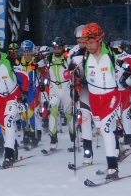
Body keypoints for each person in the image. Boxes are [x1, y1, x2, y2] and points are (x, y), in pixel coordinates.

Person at [70, 23, 126, 178]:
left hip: (111, 96)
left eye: (91, 42)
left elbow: (128, 61)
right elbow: (72, 68)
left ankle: (112, 168)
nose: (88, 45)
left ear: (99, 40)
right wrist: (73, 79)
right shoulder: (84, 55)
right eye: (86, 42)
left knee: (107, 129)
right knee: (101, 129)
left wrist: (126, 74)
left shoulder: (111, 53)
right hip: (94, 98)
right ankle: (115, 150)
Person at [45, 37, 75, 151]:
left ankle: (73, 140)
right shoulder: (49, 58)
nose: (57, 51)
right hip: (54, 88)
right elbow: (38, 64)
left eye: (59, 48)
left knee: (68, 114)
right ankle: (53, 141)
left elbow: (74, 67)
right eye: (55, 48)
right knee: (52, 112)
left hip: (66, 87)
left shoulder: (67, 58)